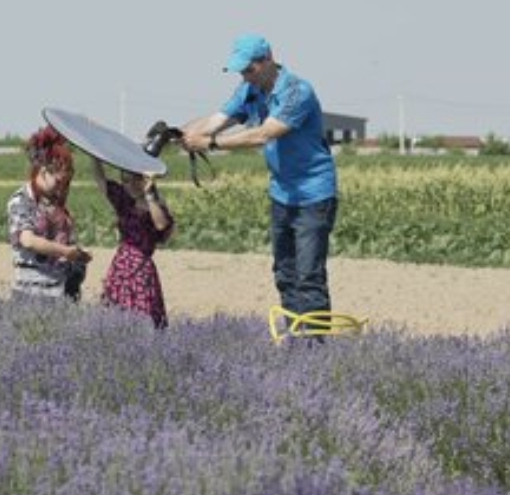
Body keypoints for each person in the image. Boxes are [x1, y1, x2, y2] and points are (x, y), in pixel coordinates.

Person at [181, 33, 338, 334]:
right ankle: (296, 340)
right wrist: (182, 134)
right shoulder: (249, 89)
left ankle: (316, 350)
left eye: (248, 69)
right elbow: (217, 119)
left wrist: (210, 143)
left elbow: (263, 134)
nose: (244, 75)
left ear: (267, 60)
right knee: (285, 273)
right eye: (240, 71)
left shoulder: (296, 91)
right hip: (282, 194)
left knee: (308, 276)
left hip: (313, 194)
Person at [7, 127, 92, 302]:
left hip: (63, 292)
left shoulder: (55, 202)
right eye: (59, 181)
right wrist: (65, 252)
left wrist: (78, 256)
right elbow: (28, 240)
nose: (62, 187)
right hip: (33, 294)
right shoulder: (21, 200)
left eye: (66, 182)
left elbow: (65, 239)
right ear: (44, 172)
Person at [92, 156, 175, 328]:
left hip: (142, 267)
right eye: (125, 180)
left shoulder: (156, 205)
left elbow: (161, 225)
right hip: (121, 265)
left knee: (144, 314)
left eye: (132, 180)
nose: (127, 184)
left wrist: (149, 194)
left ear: (142, 180)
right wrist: (96, 156)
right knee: (115, 313)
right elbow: (101, 182)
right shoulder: (124, 200)